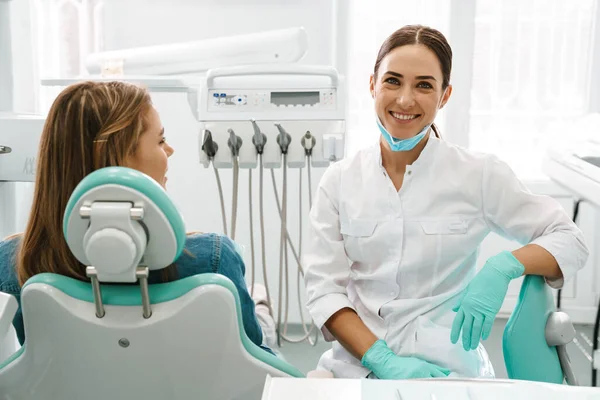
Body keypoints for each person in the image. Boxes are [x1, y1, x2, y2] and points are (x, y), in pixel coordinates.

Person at [304, 25, 589, 379]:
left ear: (444, 95)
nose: (405, 100)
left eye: (424, 85)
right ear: (373, 85)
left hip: (447, 369)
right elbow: (324, 291)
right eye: (393, 81)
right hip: (354, 363)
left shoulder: (477, 174)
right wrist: (381, 359)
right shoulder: (340, 180)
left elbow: (571, 240)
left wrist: (504, 266)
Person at [0, 81, 276, 353]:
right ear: (114, 156)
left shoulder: (13, 262)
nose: (170, 150)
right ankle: (261, 303)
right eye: (161, 140)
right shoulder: (213, 259)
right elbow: (259, 369)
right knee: (259, 308)